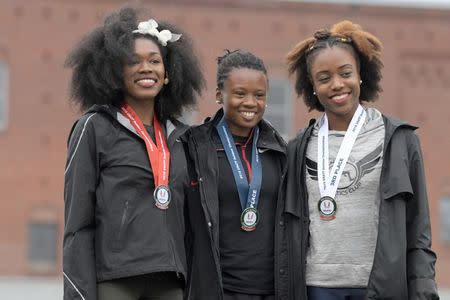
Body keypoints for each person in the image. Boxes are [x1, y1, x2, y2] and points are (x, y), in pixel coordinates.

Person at [283, 20, 439, 299]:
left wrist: (423, 288)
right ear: (313, 87)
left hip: (380, 287)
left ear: (361, 75)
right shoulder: (298, 148)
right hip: (316, 287)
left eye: (346, 73)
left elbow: (418, 229)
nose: (337, 84)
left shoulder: (400, 140)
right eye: (324, 78)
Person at [63, 6, 204, 300]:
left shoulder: (182, 137)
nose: (146, 68)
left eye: (155, 61)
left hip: (170, 280)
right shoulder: (94, 128)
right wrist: (78, 293)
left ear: (168, 73)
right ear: (115, 71)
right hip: (115, 280)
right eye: (133, 61)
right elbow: (78, 222)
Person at [181, 50, 289, 300]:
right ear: (220, 94)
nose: (250, 103)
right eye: (240, 93)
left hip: (270, 291)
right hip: (215, 289)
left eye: (259, 95)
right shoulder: (194, 147)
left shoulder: (279, 151)